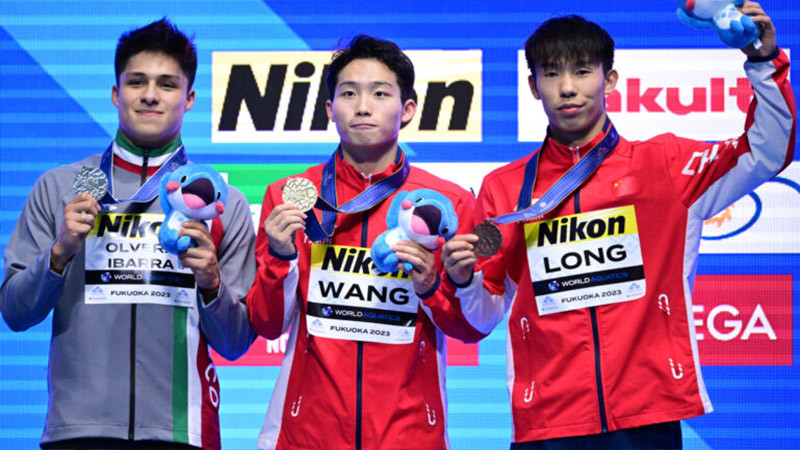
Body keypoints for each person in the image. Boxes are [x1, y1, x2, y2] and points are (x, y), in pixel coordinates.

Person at [440, 3, 794, 449]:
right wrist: (463, 279)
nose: (568, 88)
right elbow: (484, 315)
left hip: (649, 413)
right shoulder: (502, 188)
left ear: (609, 80)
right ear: (533, 86)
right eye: (551, 74)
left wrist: (763, 62)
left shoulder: (666, 166)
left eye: (583, 71)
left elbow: (766, 151)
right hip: (548, 423)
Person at [0, 18, 256, 450]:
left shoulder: (222, 203)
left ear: (189, 98)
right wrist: (59, 254)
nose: (151, 95)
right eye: (137, 82)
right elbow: (14, 312)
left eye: (167, 84)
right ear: (117, 94)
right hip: (78, 430)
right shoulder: (59, 187)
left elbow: (235, 343)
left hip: (182, 431)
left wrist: (211, 282)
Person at [247, 35, 480, 449]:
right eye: (349, 93)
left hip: (411, 434)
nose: (363, 106)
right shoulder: (290, 195)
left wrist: (431, 288)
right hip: (307, 434)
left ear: (407, 109)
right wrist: (280, 258)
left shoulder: (449, 203)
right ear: (329, 109)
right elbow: (267, 325)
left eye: (380, 93)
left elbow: (470, 329)